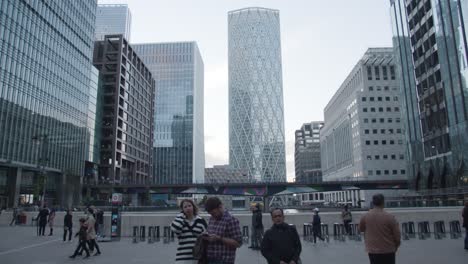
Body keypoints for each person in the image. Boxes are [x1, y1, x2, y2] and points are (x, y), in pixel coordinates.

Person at [359, 194, 400, 264]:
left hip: (373, 250)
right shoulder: (390, 217)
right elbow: (397, 235)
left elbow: (361, 229)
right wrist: (396, 246)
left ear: (373, 203)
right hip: (388, 250)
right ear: (383, 202)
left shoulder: (366, 216)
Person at [203, 197, 242, 264]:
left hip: (224, 260)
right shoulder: (212, 219)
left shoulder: (231, 220)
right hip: (210, 258)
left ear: (220, 207)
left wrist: (219, 238)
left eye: (214, 213)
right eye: (211, 214)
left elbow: (238, 243)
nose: (213, 216)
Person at [171, 199, 208, 263]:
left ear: (193, 206)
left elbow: (206, 237)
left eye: (189, 206)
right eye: (185, 207)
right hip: (182, 259)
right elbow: (175, 229)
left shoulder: (201, 221)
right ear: (182, 210)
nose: (188, 208)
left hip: (197, 259)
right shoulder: (180, 220)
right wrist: (180, 216)